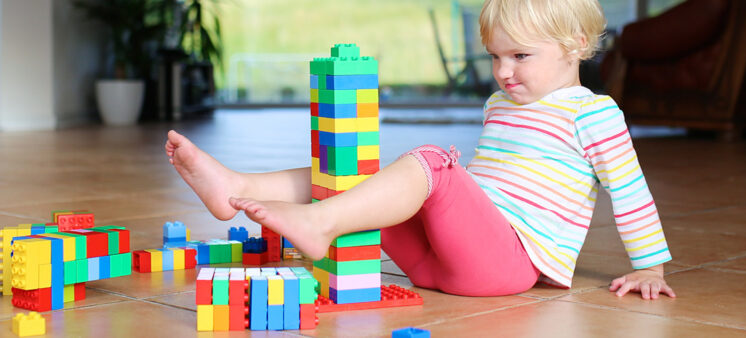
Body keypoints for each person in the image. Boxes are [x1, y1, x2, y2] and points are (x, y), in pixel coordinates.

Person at [165, 0, 676, 299]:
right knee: (365, 171)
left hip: (507, 265)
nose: (503, 71)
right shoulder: (500, 103)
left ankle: (320, 223)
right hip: (435, 262)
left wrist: (650, 266)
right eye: (495, 56)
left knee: (434, 161)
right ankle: (237, 188)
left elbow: (630, 191)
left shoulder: (593, 112)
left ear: (576, 44)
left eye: (520, 56)